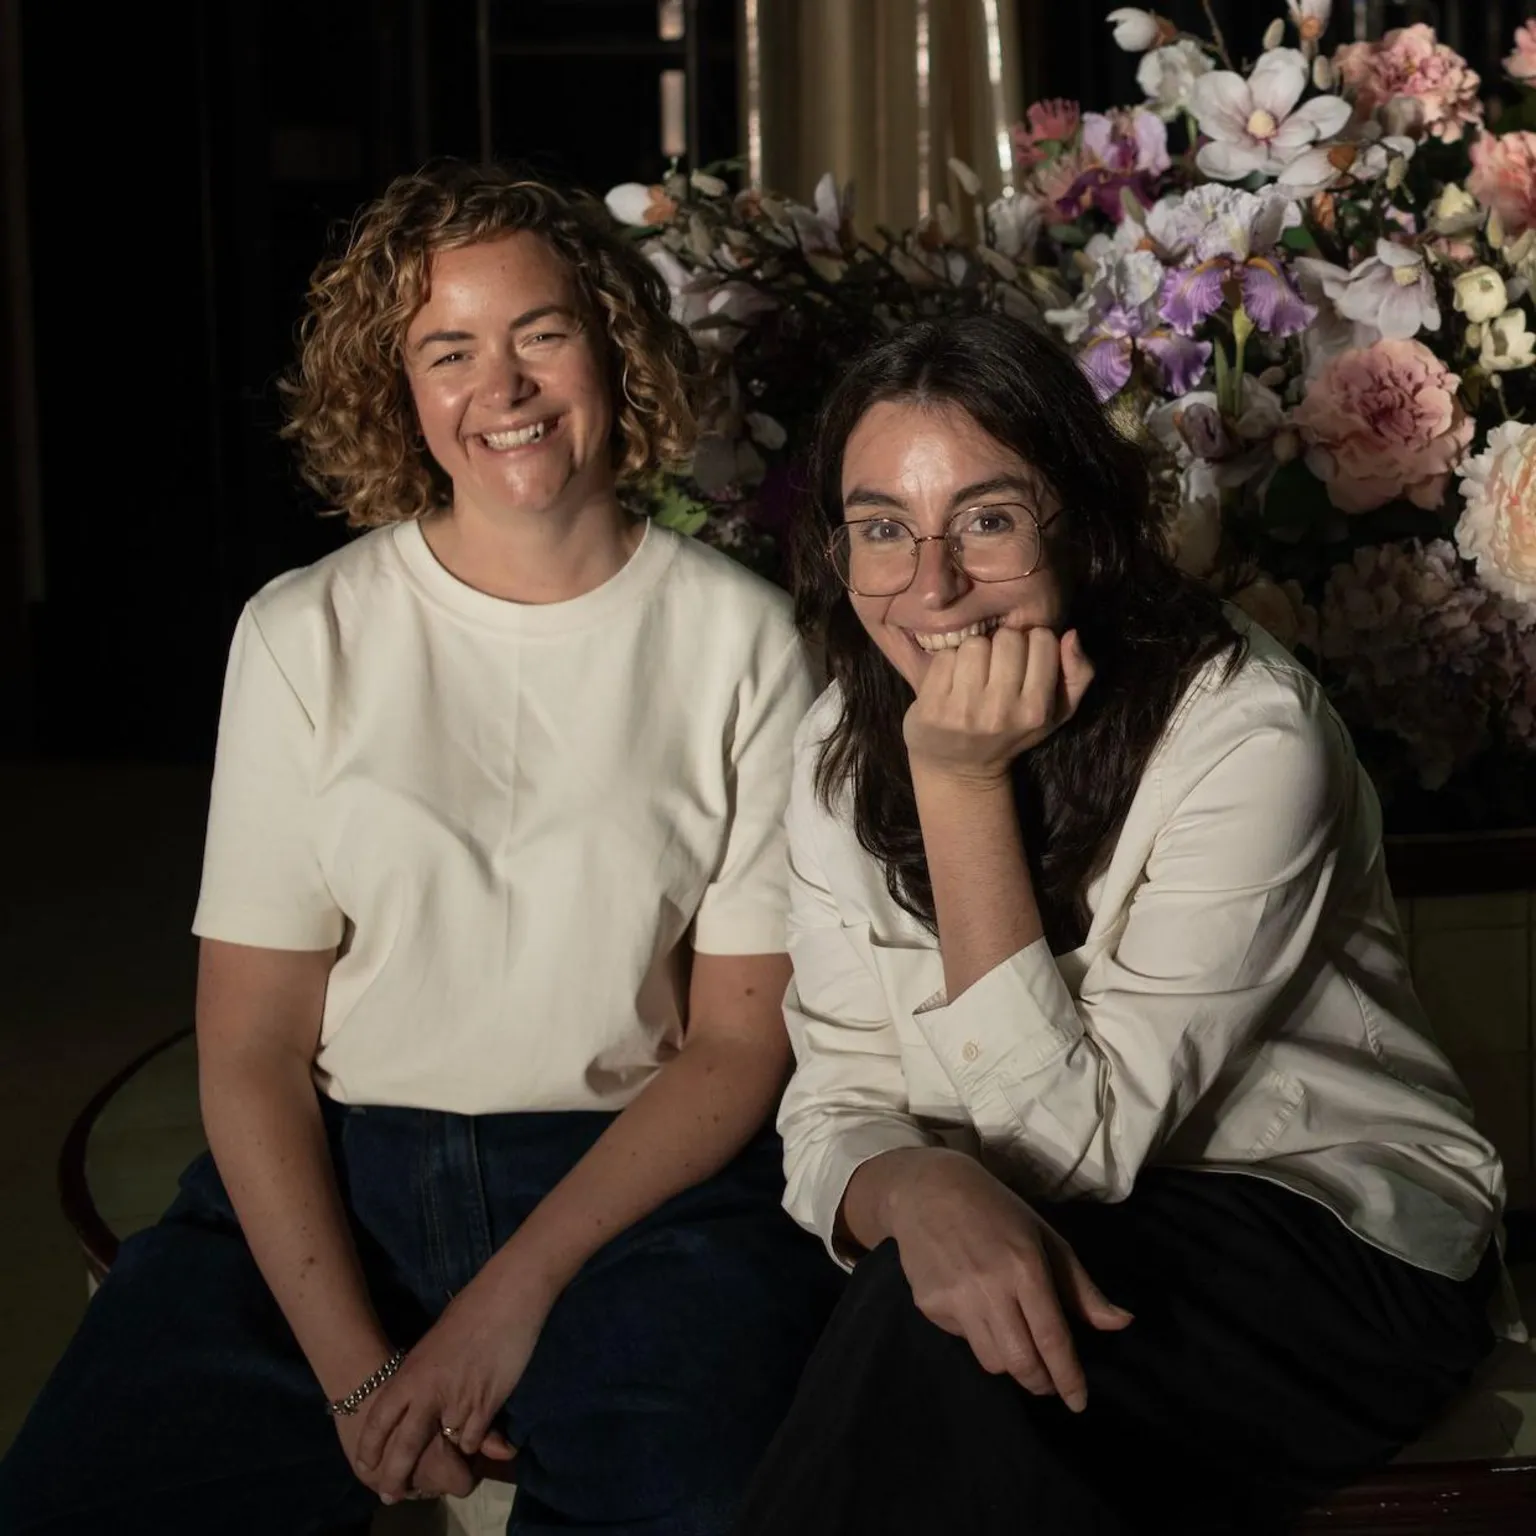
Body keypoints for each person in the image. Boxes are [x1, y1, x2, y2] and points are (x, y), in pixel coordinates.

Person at [0, 162, 839, 1536]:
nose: (500, 388)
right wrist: (356, 1381)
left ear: (612, 346)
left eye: (540, 334)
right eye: (449, 350)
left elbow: (739, 1047)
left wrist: (510, 1300)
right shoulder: (300, 633)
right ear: (397, 389)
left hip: (634, 1192)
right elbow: (253, 1048)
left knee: (700, 1505)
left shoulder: (740, 641)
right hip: (342, 1166)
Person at [731, 313, 1512, 1536]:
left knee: (949, 1352)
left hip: (1330, 1237)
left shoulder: (1247, 734)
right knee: (856, 1335)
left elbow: (1069, 1143)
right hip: (1027, 1212)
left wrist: (963, 788)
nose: (929, 587)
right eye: (883, 529)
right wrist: (913, 1186)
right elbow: (831, 1103)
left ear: (1083, 524)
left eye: (986, 520)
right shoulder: (835, 747)